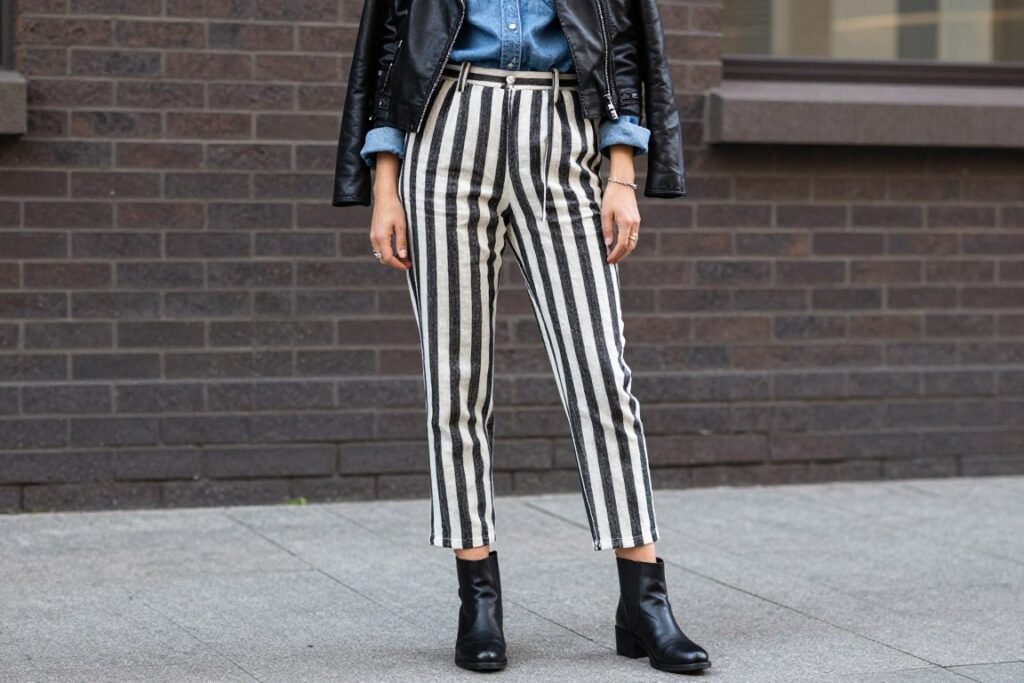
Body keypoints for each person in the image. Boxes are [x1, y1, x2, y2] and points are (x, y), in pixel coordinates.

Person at [332, 0, 710, 675]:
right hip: (445, 133)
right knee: (456, 380)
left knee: (601, 375)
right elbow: (393, 43)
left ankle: (644, 600)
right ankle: (478, 598)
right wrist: (383, 185)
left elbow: (617, 38)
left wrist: (620, 168)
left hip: (562, 132)